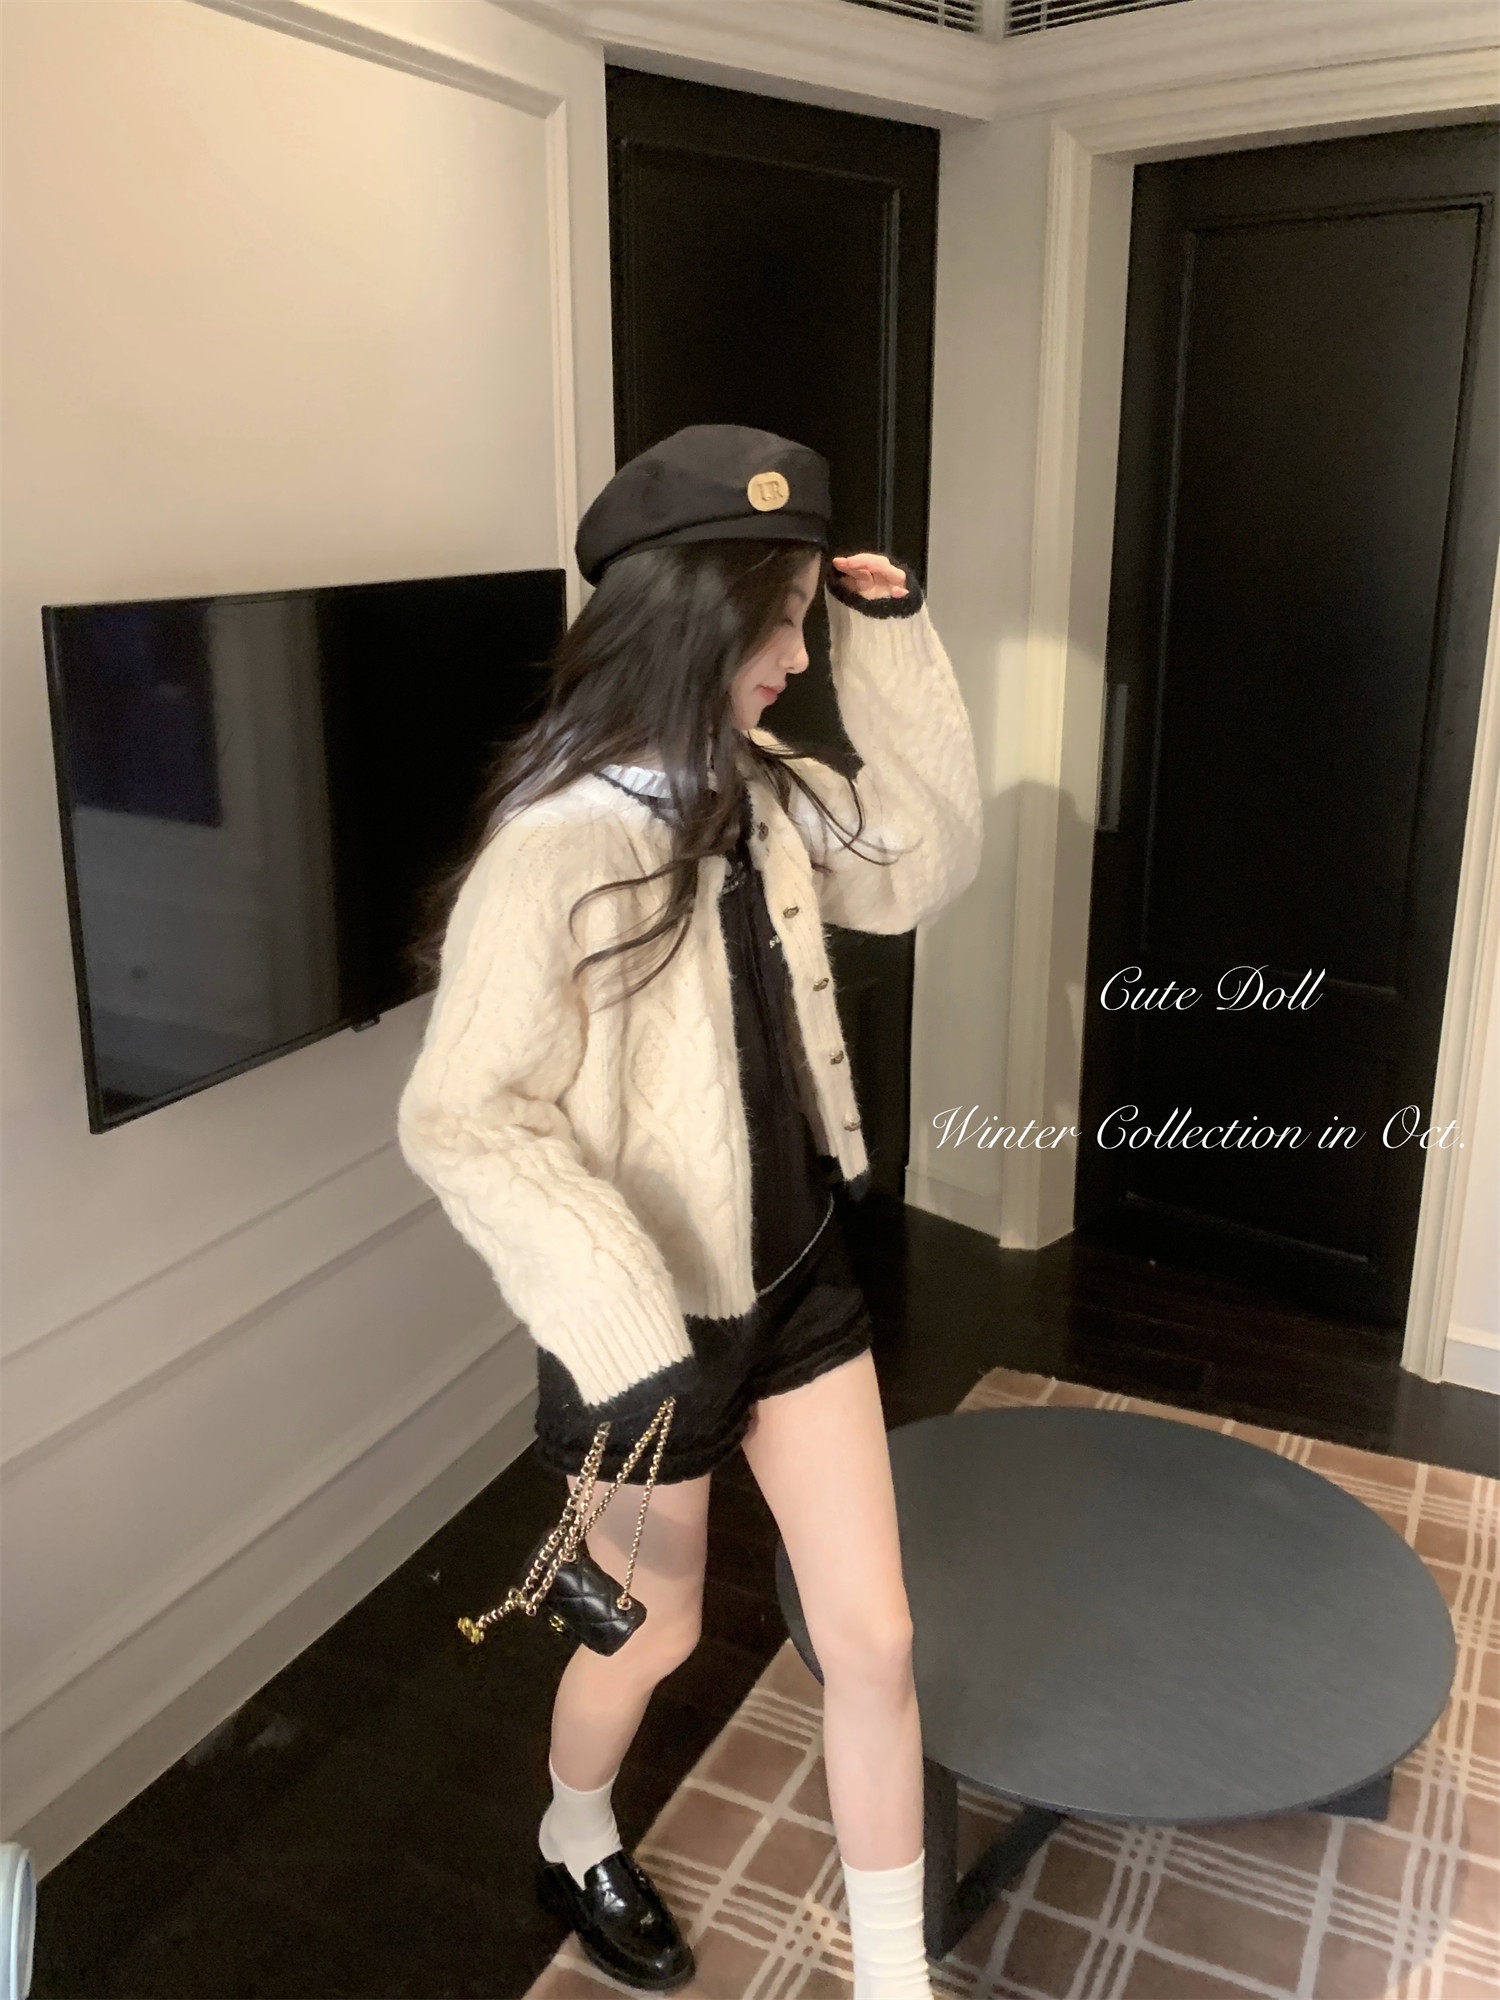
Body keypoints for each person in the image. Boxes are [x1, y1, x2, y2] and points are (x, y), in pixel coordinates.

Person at [397, 424, 983, 1998]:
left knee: (875, 1641)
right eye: (778, 623)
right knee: (649, 1634)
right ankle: (575, 1832)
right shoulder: (555, 850)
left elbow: (918, 866)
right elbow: (462, 1115)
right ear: (690, 624)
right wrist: (614, 1311)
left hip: (801, 1287)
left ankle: (893, 1979)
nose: (795, 657)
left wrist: (889, 634)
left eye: (802, 622)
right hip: (646, 1342)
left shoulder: (766, 792)